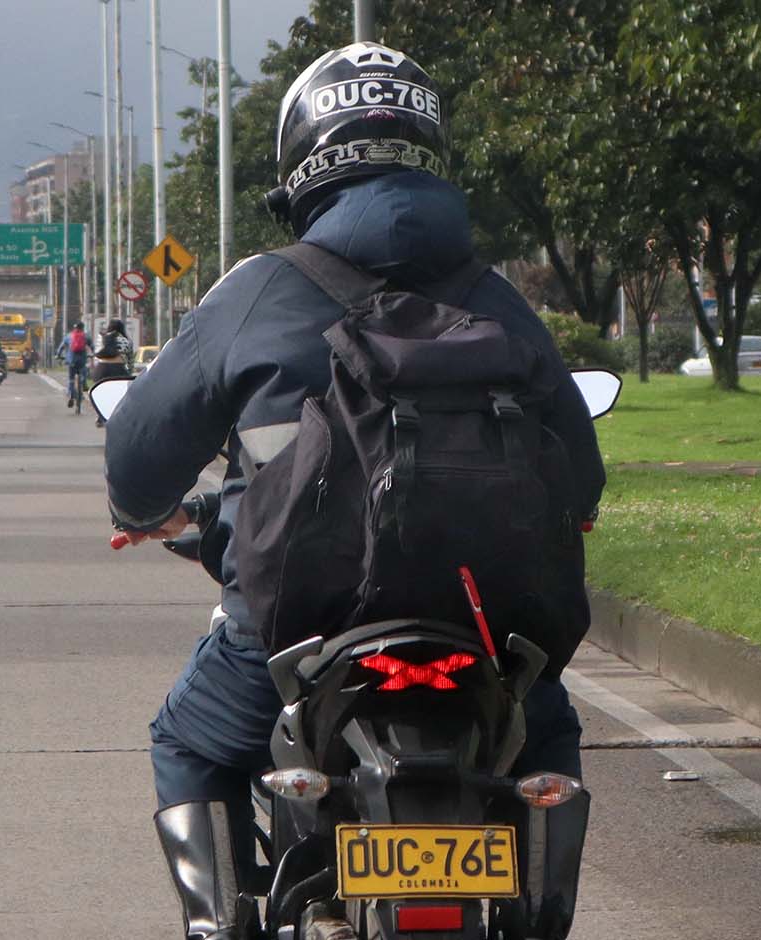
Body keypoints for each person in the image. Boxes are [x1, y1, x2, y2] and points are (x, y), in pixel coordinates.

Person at [102, 42, 605, 940]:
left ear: (301, 158)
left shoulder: (258, 290)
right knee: (548, 738)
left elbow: (139, 450)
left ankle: (221, 924)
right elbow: (580, 469)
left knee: (187, 740)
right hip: (484, 635)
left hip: (292, 636)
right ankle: (538, 916)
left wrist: (146, 514)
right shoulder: (495, 298)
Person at [64, 321, 91, 407]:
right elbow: (92, 346)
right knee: (83, 373)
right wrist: (93, 354)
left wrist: (58, 354)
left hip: (71, 361)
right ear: (83, 328)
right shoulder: (86, 336)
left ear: (74, 328)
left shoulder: (69, 336)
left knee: (71, 379)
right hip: (82, 361)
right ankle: (84, 385)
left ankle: (71, 394)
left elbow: (62, 346)